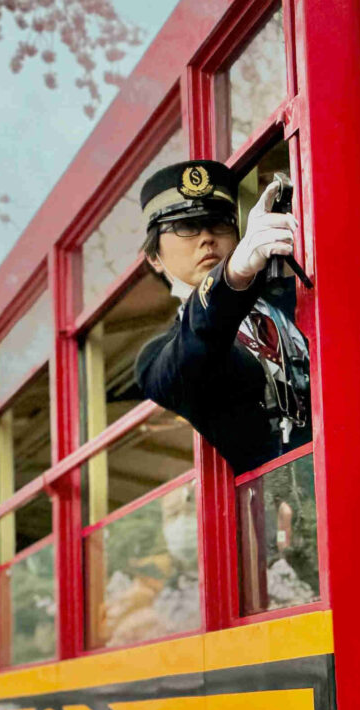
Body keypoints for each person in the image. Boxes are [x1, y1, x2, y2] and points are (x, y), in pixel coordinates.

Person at [132, 159, 311, 475]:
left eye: (219, 222)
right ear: (153, 256)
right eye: (185, 227)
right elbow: (201, 341)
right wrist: (234, 273)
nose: (207, 238)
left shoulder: (298, 294)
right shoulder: (158, 358)